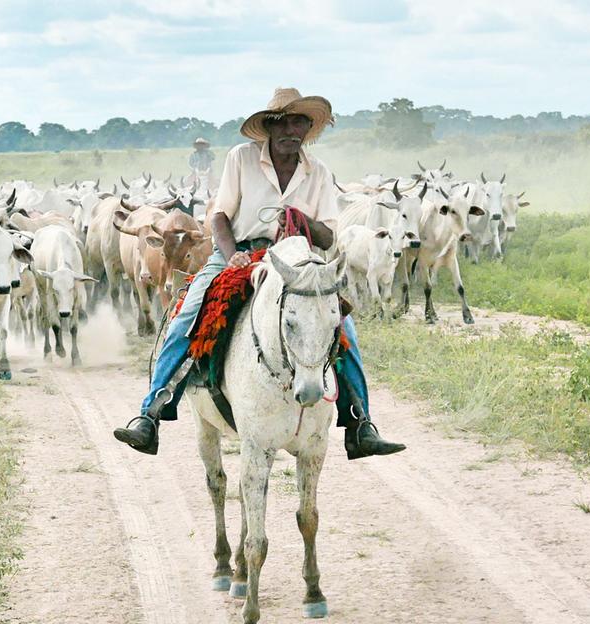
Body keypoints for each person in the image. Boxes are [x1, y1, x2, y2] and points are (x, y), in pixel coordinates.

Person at [114, 87, 406, 460]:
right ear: (268, 126)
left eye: (298, 122)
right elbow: (220, 215)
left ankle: (360, 422)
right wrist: (232, 254)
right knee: (191, 310)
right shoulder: (242, 158)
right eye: (282, 122)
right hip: (242, 251)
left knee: (341, 324)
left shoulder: (319, 173)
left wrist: (302, 221)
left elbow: (330, 236)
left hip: (297, 261)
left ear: (307, 128)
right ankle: (151, 412)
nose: (290, 130)